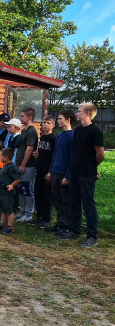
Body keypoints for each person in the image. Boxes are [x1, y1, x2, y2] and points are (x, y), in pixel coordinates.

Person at [68, 103, 105, 248]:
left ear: (87, 113)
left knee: (88, 204)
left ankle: (91, 236)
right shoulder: (77, 130)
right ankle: (74, 230)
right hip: (75, 171)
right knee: (74, 202)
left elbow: (100, 154)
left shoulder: (95, 131)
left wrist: (92, 167)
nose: (76, 114)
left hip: (87, 173)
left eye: (79, 111)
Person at [46, 110, 75, 236]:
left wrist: (68, 176)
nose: (58, 121)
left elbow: (72, 158)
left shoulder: (73, 136)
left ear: (68, 120)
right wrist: (50, 171)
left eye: (60, 119)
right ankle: (59, 224)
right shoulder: (59, 136)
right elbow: (55, 155)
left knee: (66, 201)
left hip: (64, 173)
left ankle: (67, 226)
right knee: (56, 199)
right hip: (55, 172)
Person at [29, 116, 55, 228]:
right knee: (38, 193)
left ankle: (46, 218)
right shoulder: (43, 138)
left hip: (47, 170)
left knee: (47, 195)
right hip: (39, 168)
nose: (45, 125)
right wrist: (36, 156)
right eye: (44, 122)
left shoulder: (53, 138)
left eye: (48, 123)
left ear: (53, 125)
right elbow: (42, 154)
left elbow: (54, 156)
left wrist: (50, 171)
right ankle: (39, 216)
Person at [14, 108, 38, 223]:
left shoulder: (31, 131)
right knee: (22, 189)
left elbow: (29, 149)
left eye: (22, 116)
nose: (20, 118)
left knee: (28, 188)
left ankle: (29, 213)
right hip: (19, 164)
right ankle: (22, 210)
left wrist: (23, 164)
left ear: (29, 117)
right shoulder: (24, 130)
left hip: (28, 165)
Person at [0, 148, 22, 235]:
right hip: (1, 191)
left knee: (8, 209)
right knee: (2, 208)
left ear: (6, 157)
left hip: (7, 192)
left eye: (1, 156)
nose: (0, 157)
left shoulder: (12, 167)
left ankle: (10, 226)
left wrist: (12, 185)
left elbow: (18, 178)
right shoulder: (5, 165)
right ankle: (2, 223)